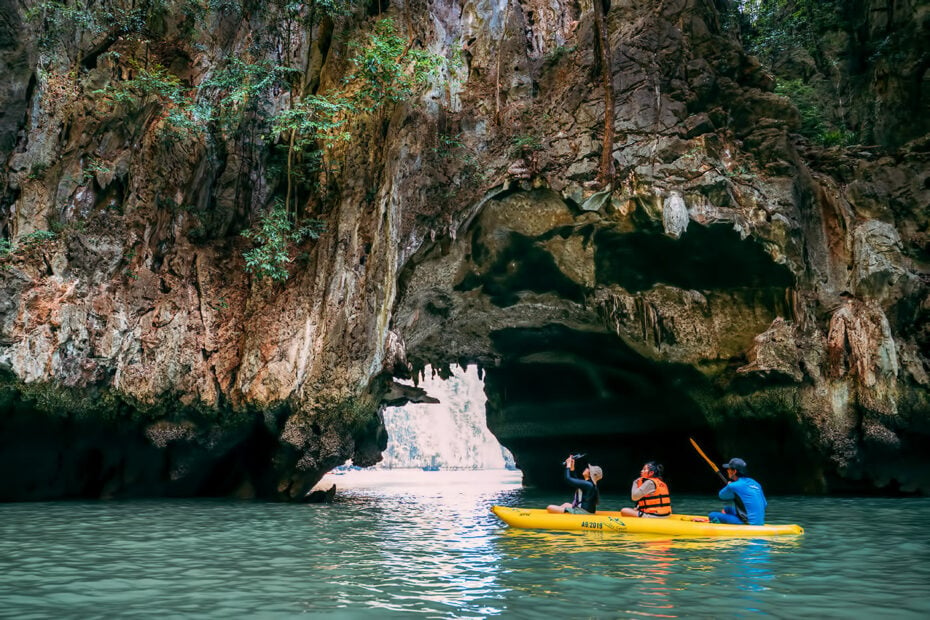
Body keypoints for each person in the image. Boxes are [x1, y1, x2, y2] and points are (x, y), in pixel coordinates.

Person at [708, 458, 767, 525]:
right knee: (727, 509)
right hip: (760, 522)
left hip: (747, 523)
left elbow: (722, 496)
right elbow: (764, 504)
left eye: (729, 469)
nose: (727, 470)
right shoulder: (756, 483)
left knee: (712, 515)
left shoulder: (733, 486)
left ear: (734, 471)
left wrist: (729, 486)